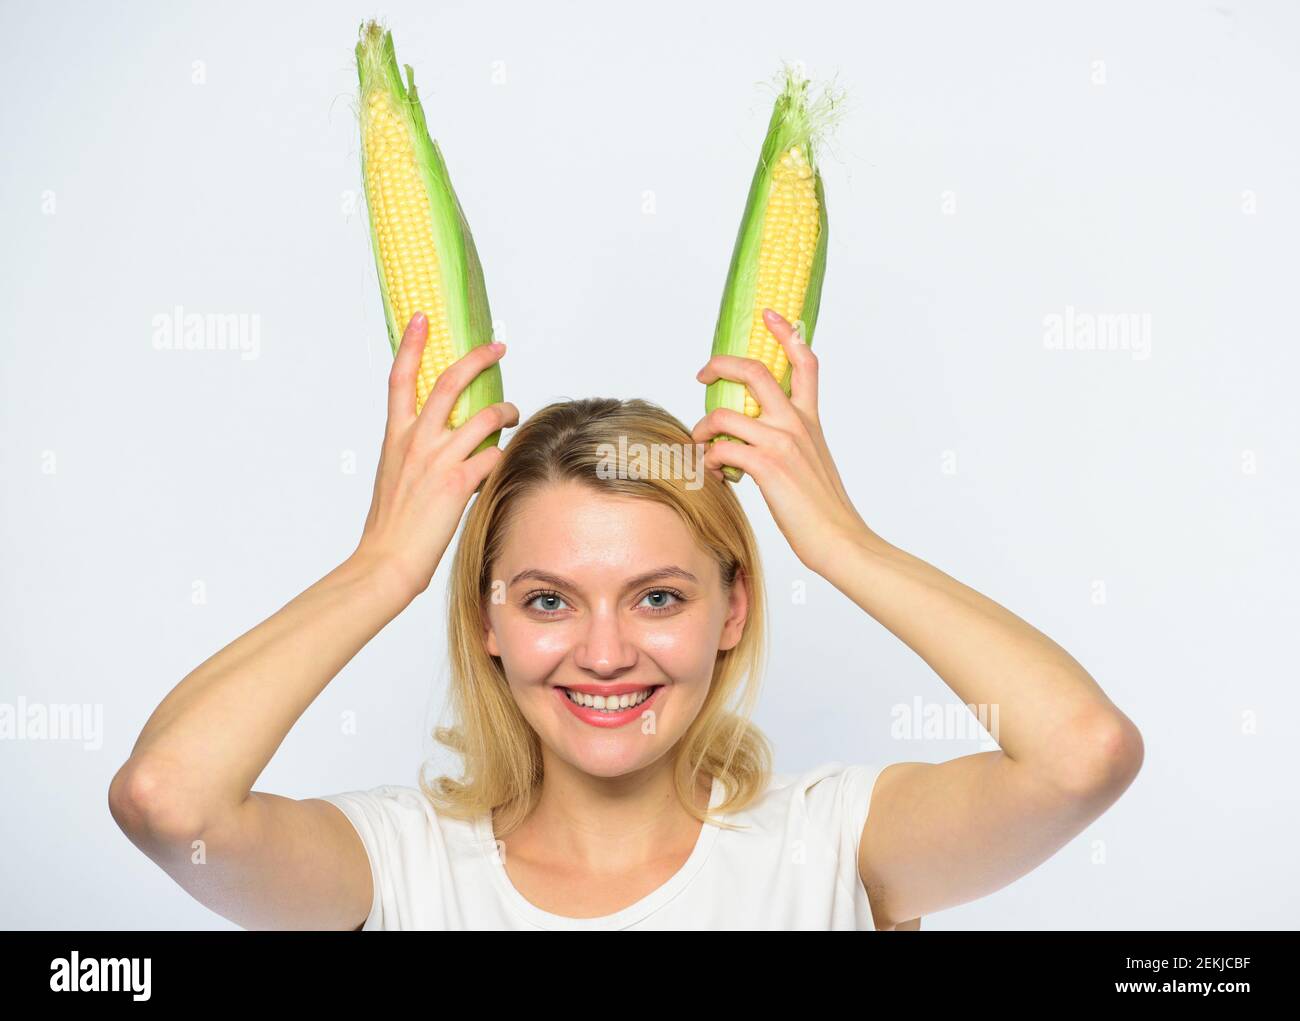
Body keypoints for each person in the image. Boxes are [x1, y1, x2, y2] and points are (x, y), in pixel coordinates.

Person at [109, 308, 1143, 930]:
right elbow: (169, 802)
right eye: (549, 599)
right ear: (488, 623)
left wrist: (842, 545)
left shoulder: (832, 844)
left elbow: (1081, 755)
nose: (604, 654)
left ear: (731, 607)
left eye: (658, 596)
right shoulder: (395, 865)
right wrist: (381, 567)